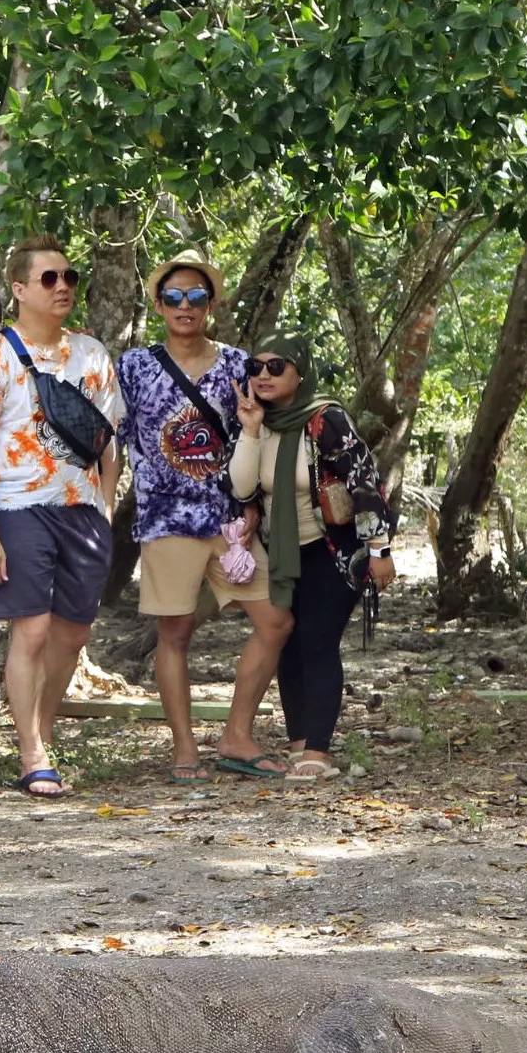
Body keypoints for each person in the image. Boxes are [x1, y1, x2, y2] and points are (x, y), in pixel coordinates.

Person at [0, 236, 125, 798]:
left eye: (70, 277)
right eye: (49, 278)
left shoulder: (92, 354)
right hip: (18, 508)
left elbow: (108, 440)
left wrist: (106, 506)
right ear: (20, 289)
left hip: (82, 511)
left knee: (73, 632)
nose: (63, 287)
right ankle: (33, 753)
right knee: (30, 629)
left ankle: (41, 734)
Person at [117, 249, 291, 780]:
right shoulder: (133, 367)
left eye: (196, 295)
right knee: (174, 634)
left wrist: (252, 505)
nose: (184, 305)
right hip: (166, 518)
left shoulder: (239, 365)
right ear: (158, 305)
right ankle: (184, 749)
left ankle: (237, 735)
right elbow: (112, 438)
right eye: (173, 296)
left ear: (211, 303)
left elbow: (258, 435)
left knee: (275, 620)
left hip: (229, 520)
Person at [229, 335, 396, 782]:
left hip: (333, 551)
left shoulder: (326, 419)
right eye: (255, 367)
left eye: (276, 367)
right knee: (287, 643)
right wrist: (249, 430)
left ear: (300, 372)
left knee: (318, 642)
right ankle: (300, 743)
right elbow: (242, 489)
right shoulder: (256, 420)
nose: (263, 375)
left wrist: (380, 550)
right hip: (280, 554)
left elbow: (365, 484)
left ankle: (318, 751)